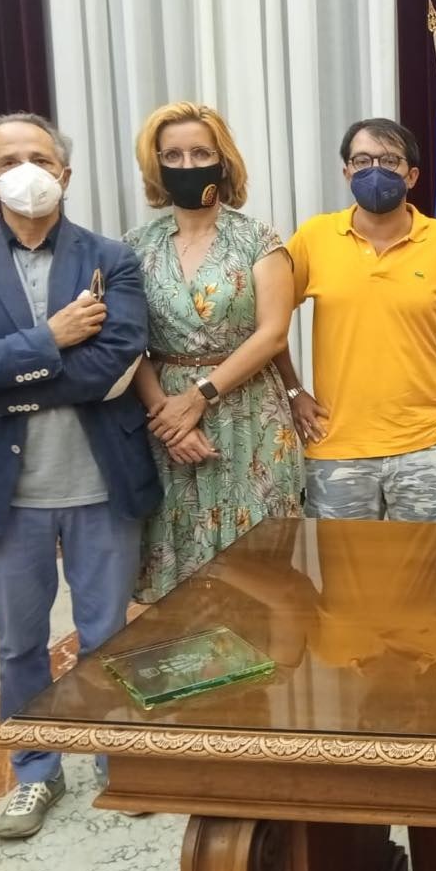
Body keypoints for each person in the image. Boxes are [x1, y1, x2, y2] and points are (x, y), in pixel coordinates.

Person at [0, 112, 160, 839]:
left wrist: (4, 381)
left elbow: (114, 360)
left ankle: (117, 758)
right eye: (9, 161)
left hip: (99, 480)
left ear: (65, 173)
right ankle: (35, 771)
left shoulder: (111, 258)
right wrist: (49, 339)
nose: (27, 171)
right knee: (19, 645)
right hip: (3, 490)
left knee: (106, 636)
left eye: (41, 158)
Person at [124, 102, 302, 602]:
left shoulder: (258, 239)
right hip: (164, 416)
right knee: (180, 562)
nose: (188, 165)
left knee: (261, 569)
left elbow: (272, 334)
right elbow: (128, 343)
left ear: (223, 160)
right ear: (156, 164)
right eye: (173, 155)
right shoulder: (135, 246)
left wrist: (198, 397)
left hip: (250, 413)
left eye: (201, 153)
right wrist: (168, 418)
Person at [277, 118, 436, 520]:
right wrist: (293, 390)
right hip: (337, 451)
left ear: (412, 176)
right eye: (362, 160)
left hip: (428, 450)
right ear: (346, 172)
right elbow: (269, 322)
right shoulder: (314, 238)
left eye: (389, 161)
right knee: (342, 565)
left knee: (435, 564)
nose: (375, 170)